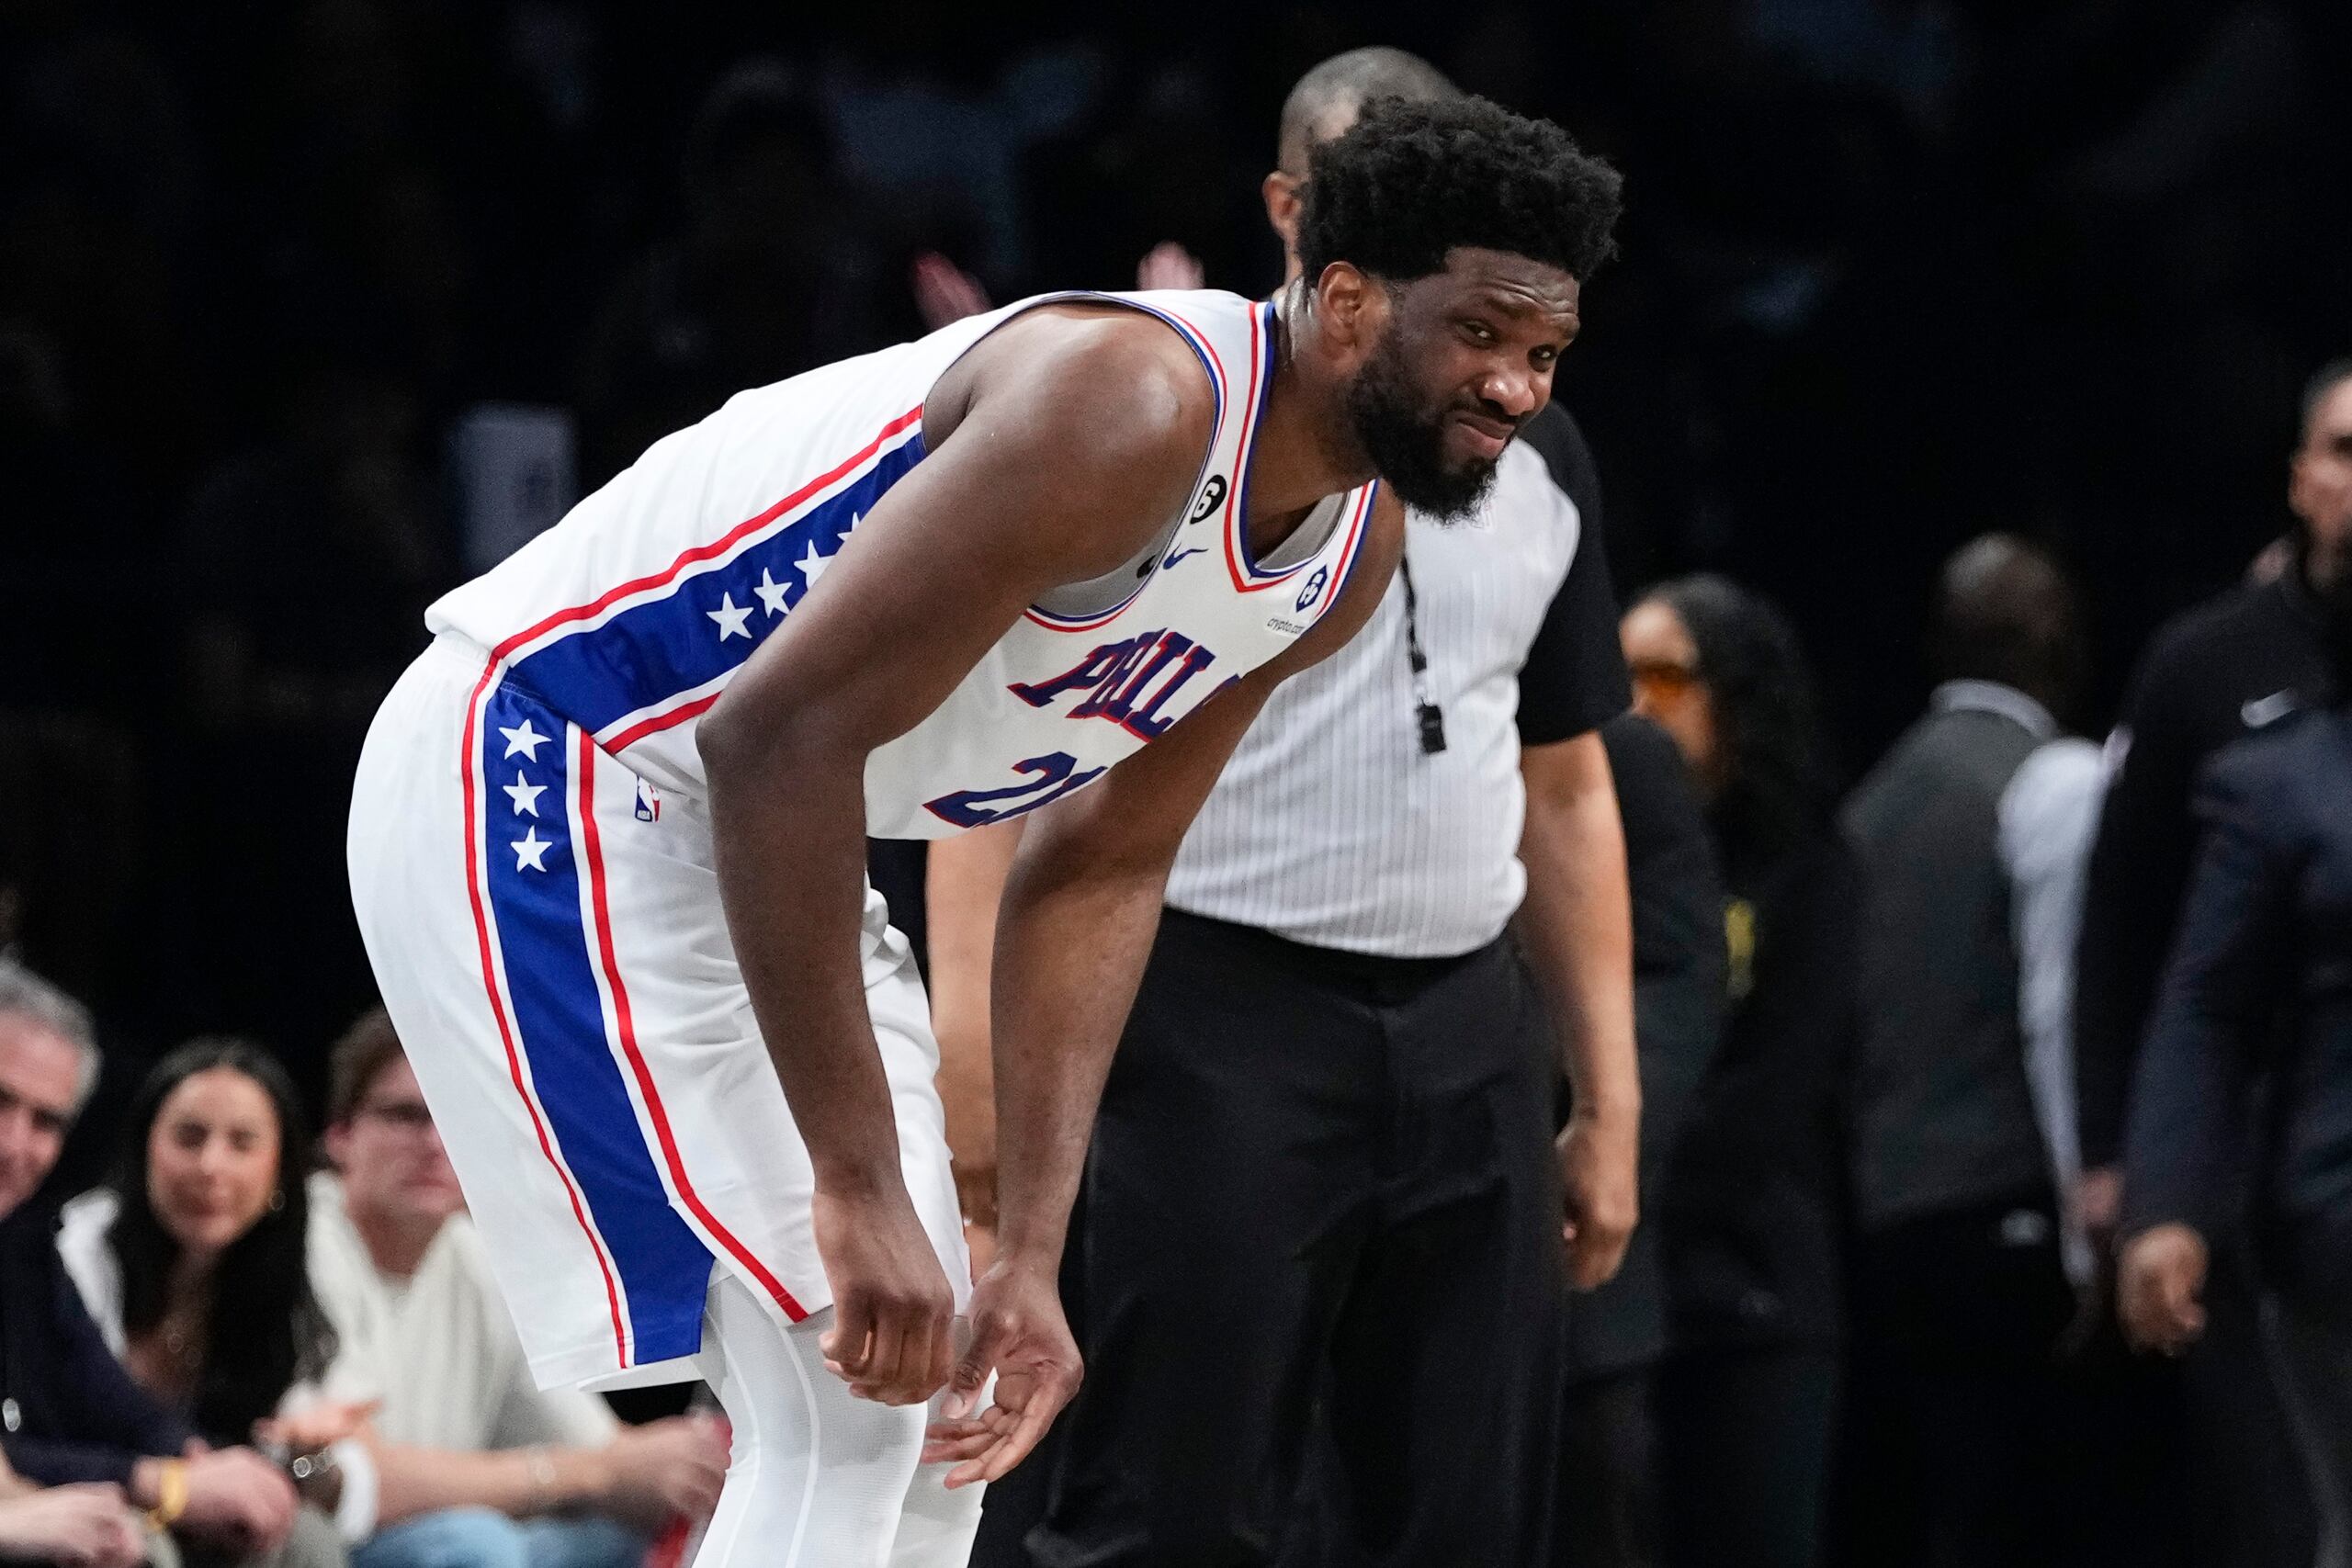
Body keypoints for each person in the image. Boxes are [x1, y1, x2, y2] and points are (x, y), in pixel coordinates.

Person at [345, 94, 1623, 1563]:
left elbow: (1103, 858)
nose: (1518, 389)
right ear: (1344, 301)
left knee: (955, 1396)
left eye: (1544, 354)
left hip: (743, 825)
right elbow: (773, 735)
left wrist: (1026, 1243)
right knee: (851, 1405)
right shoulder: (1133, 404)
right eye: (1482, 335)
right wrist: (857, 1179)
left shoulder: (1345, 549)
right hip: (564, 758)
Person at [935, 48, 1642, 1567]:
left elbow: (1571, 781)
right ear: (1292, 215)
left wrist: (1611, 1093)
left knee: (1470, 1512)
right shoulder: (1170, 417)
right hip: (1213, 1012)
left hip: (1471, 1021)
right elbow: (1006, 757)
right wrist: (970, 1072)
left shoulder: (1537, 444)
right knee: (1173, 1509)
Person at [2074, 357, 2352, 1564]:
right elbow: (2137, 942)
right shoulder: (2209, 671)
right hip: (2264, 1169)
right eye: (2344, 449)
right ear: (2300, 475)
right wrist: (2129, 1173)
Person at [1838, 536, 2103, 1566]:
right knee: (2031, 1511)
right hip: (2013, 1202)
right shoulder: (2052, 784)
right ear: (2060, 645)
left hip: (1889, 1210)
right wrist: (2090, 1233)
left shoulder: (1867, 807)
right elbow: (2054, 1014)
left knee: (1936, 1507)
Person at [1620, 577, 1857, 1568]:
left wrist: (1626, 1167)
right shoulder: (1590, 861)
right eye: (1617, 675)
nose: (1632, 705)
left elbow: (1787, 1078)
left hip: (1754, 1284)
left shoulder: (1806, 862)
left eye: (1664, 677)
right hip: (1618, 1293)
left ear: (1735, 694)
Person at [309, 1009, 726, 1568]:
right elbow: (351, 1478)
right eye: (406, 1115)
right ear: (340, 1135)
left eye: (455, 1119)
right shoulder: (305, 1239)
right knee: (479, 1547)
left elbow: (599, 1449)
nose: (434, 1143)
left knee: (642, 1529)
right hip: (327, 1540)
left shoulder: (475, 1250)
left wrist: (689, 1460)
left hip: (457, 1534)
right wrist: (594, 1474)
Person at [0, 964, 307, 1567]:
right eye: (0, 1100)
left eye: (46, 1121)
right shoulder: (73, 1244)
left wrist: (198, 1463)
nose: (15, 1145)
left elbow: (99, 1391)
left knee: (288, 1535)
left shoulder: (20, 1250)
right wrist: (162, 1483)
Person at [54, 1042, 352, 1568]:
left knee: (306, 1539)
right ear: (145, 1147)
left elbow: (336, 1486)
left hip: (209, 1516)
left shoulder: (290, 1280)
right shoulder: (75, 1258)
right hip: (79, 1493)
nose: (211, 1166)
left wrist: (309, 1457)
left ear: (281, 1172)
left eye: (243, 1143)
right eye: (189, 1138)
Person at [1556, 712, 1727, 1568]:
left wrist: (1601, 1121)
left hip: (1575, 1246)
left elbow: (1683, 973)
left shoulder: (1621, 747)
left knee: (1597, 1507)